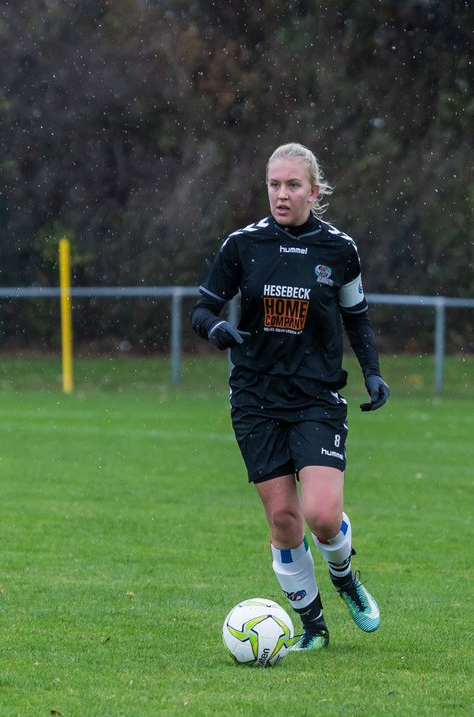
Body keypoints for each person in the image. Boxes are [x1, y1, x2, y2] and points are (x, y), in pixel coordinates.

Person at [191, 142, 392, 652]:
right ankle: (313, 626)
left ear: (313, 191)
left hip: (316, 396)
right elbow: (202, 308)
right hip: (255, 397)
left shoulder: (339, 250)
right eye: (274, 185)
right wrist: (217, 329)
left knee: (322, 515)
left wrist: (371, 372)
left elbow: (357, 316)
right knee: (284, 518)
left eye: (292, 185)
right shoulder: (243, 245)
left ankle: (345, 576)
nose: (282, 194)